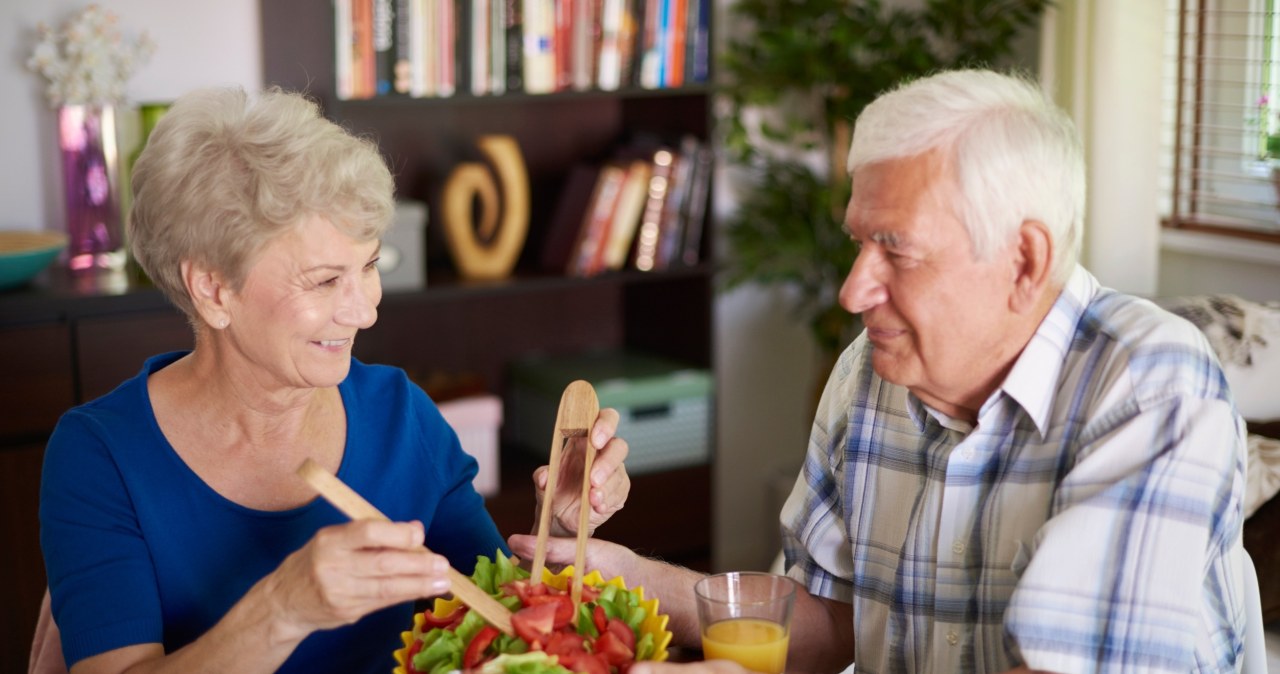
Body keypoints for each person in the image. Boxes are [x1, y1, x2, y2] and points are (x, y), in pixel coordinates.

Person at [511, 69, 1248, 673]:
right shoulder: (869, 372)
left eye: (896, 250)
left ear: (1025, 261)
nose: (853, 290)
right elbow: (833, 622)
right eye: (859, 244)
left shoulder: (1150, 386)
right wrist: (617, 576)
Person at [39, 86, 631, 674]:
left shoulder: (399, 414)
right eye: (325, 281)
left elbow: (496, 626)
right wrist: (283, 609)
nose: (365, 311)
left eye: (368, 265)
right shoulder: (101, 454)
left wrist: (557, 529)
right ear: (213, 290)